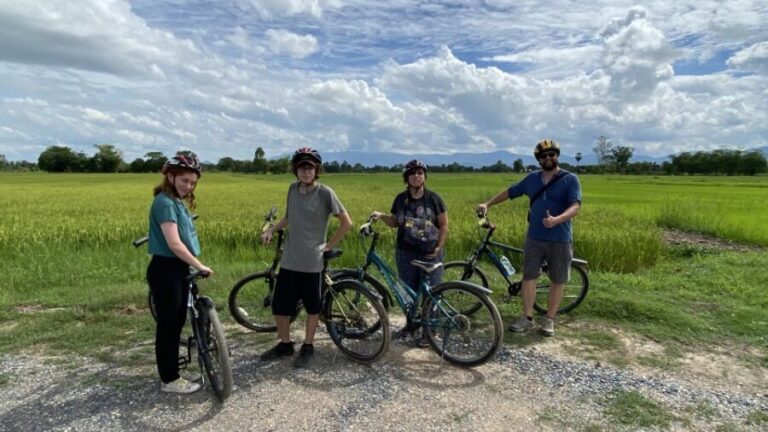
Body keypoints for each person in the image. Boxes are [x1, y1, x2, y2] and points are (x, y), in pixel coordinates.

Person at [476, 139, 581, 337]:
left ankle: (549, 319)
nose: (548, 158)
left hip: (560, 237)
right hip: (535, 237)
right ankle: (527, 317)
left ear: (557, 156)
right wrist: (487, 204)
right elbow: (510, 192)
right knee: (529, 276)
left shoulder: (570, 179)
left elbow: (575, 205)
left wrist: (558, 219)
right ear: (538, 159)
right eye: (544, 156)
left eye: (552, 154)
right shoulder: (532, 179)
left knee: (558, 279)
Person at [259, 147, 352, 368]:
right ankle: (285, 344)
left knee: (312, 308)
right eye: (302, 167)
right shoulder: (292, 189)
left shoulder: (325, 193)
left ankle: (308, 346)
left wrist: (329, 245)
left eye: (310, 167)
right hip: (290, 260)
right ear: (296, 170)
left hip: (312, 263)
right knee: (280, 307)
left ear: (317, 170)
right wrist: (272, 229)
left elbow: (346, 222)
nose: (306, 171)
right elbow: (288, 217)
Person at [146, 153, 213, 394]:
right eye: (184, 180)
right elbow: (174, 244)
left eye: (193, 183)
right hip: (166, 269)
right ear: (170, 177)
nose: (189, 186)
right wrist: (200, 265)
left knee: (177, 322)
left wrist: (191, 264)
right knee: (168, 326)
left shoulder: (175, 201)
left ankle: (174, 370)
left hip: (177, 267)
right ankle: (170, 379)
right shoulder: (164, 203)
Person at [371, 159, 448, 345]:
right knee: (408, 292)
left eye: (420, 173)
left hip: (430, 252)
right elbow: (395, 222)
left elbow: (444, 225)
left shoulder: (433, 199)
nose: (416, 176)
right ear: (407, 177)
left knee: (431, 293)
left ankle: (430, 332)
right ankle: (411, 325)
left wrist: (438, 247)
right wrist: (381, 217)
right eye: (412, 173)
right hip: (406, 252)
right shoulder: (400, 199)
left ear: (425, 177)